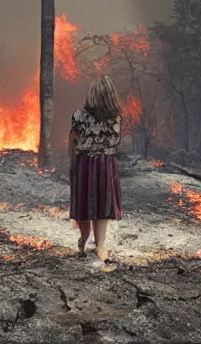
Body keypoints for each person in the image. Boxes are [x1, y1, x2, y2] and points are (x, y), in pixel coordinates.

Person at [68, 75, 123, 262]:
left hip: (84, 163)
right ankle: (100, 246)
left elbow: (72, 142)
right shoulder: (116, 119)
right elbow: (115, 143)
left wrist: (71, 164)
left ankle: (83, 242)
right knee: (102, 206)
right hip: (106, 165)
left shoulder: (78, 116)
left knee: (84, 205)